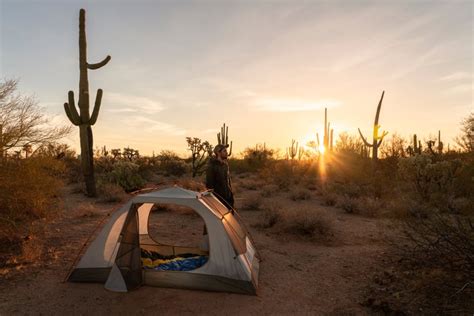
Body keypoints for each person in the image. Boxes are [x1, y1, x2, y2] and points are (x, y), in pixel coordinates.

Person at [205, 144, 234, 210]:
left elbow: (228, 181)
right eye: (224, 151)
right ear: (218, 152)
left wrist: (231, 195)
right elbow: (209, 186)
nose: (227, 153)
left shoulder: (225, 165)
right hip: (218, 198)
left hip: (228, 198)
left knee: (229, 218)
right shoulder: (211, 166)